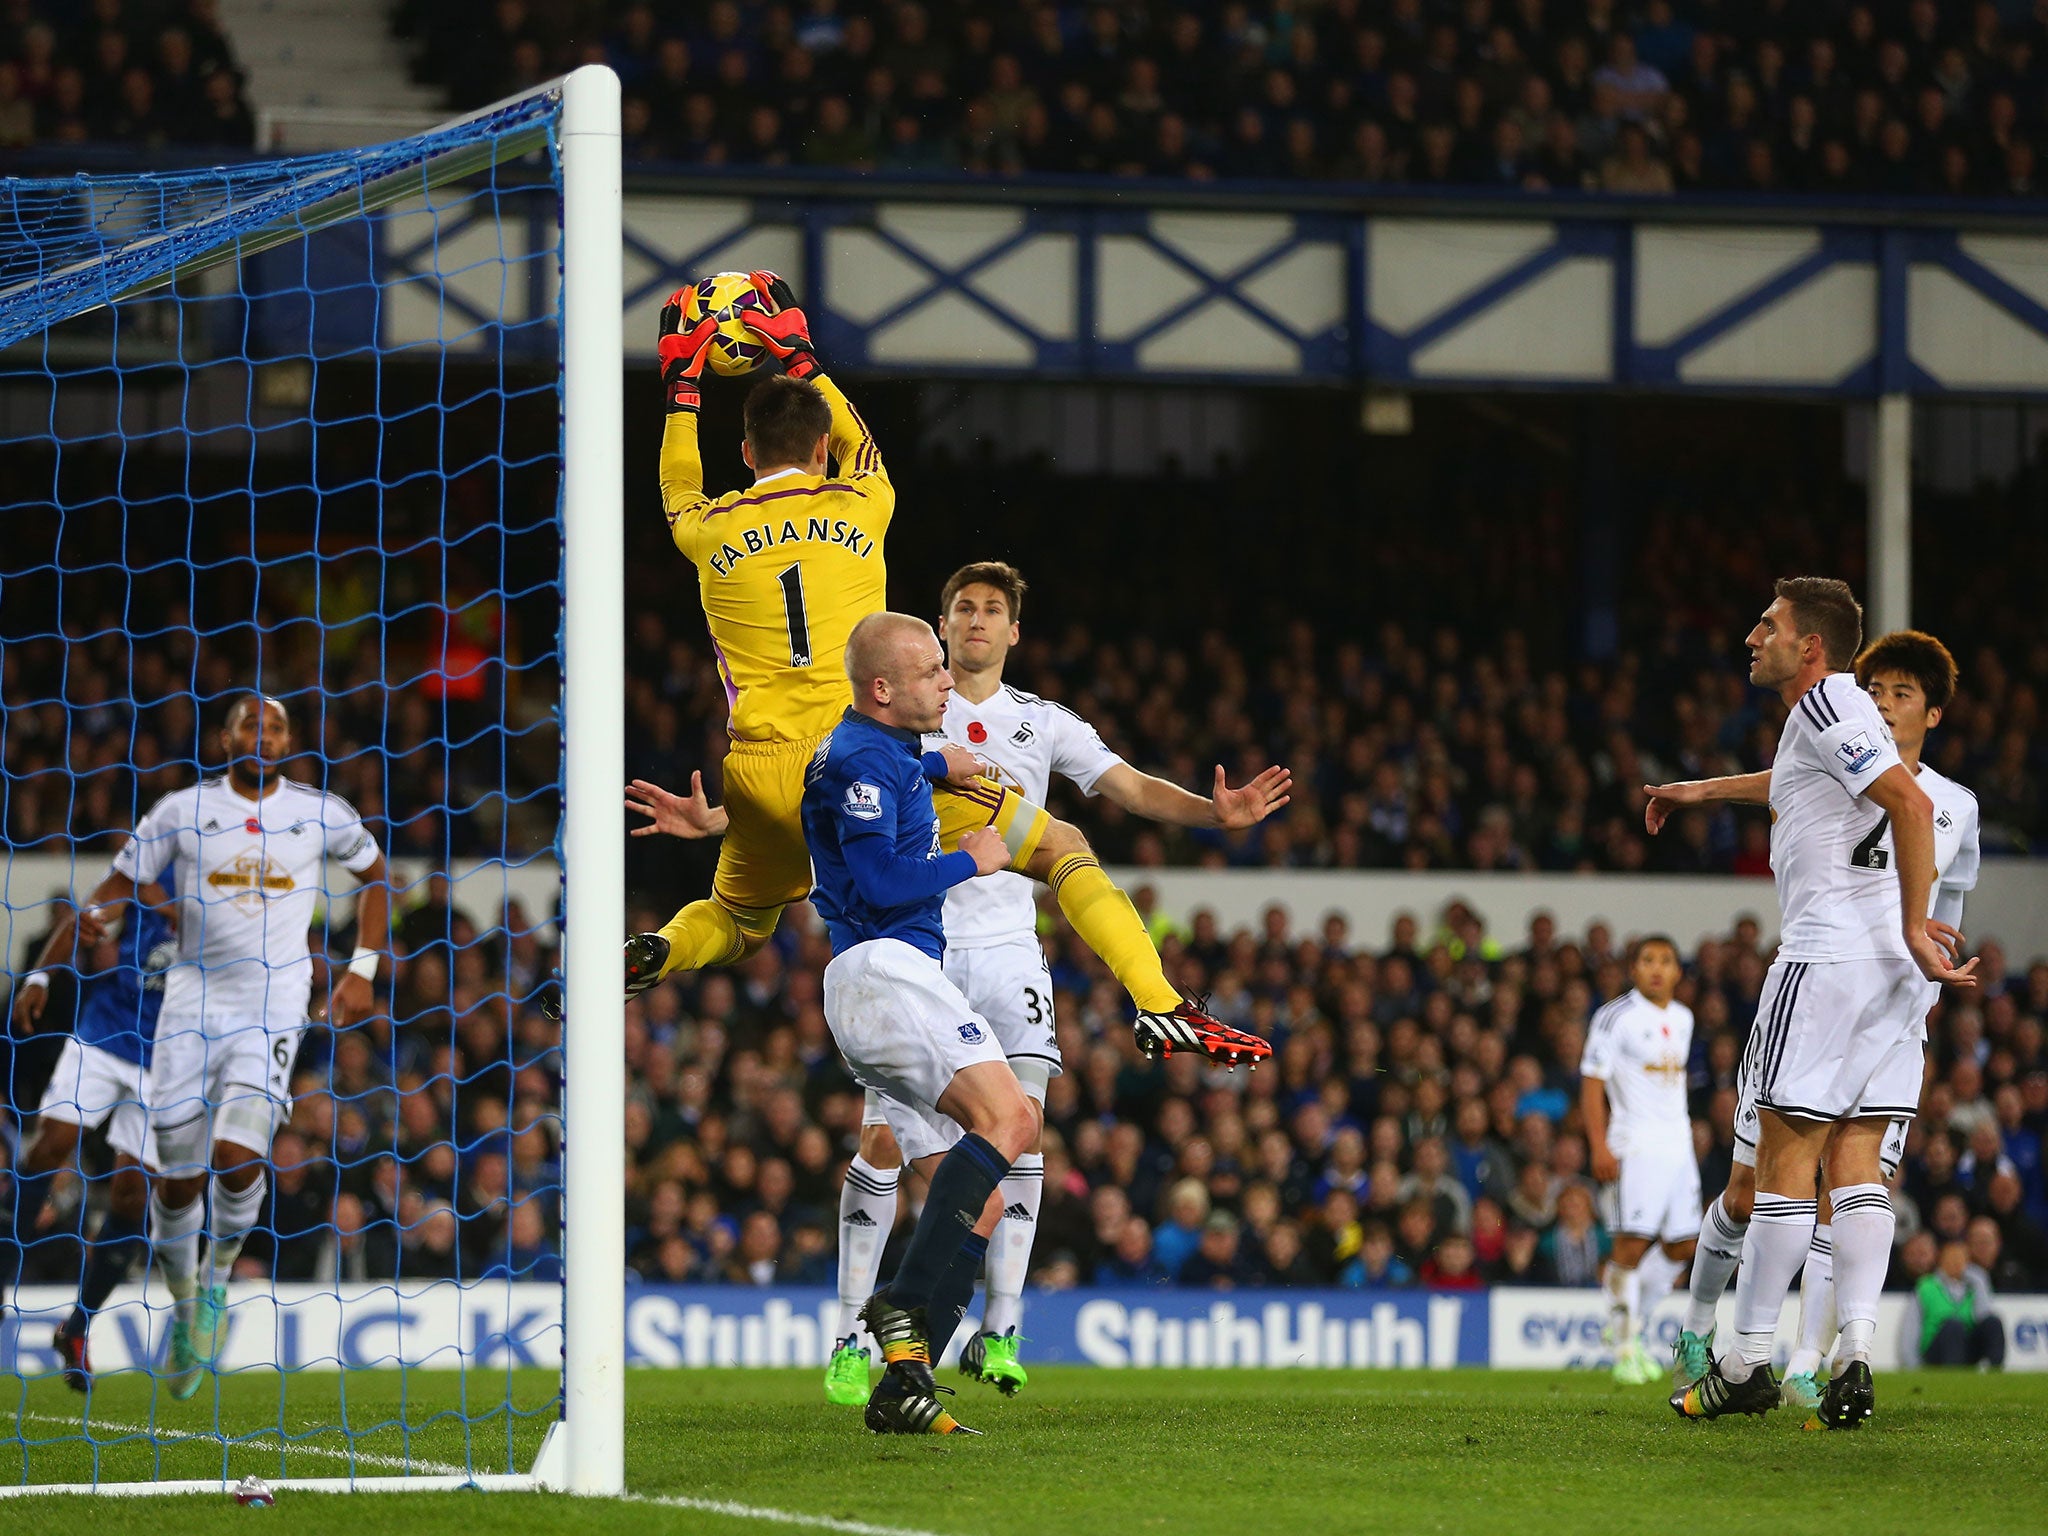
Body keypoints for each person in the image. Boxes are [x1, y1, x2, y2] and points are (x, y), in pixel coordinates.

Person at [628, 273, 1249, 1076]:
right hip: (862, 758)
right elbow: (859, 442)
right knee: (1060, 844)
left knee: (738, 918)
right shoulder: (864, 503)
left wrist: (682, 388)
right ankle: (1161, 1004)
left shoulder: (705, 528)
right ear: (821, 450)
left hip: (759, 769)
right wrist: (805, 361)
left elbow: (676, 482)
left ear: (745, 455)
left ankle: (655, 951)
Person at [841, 561, 1287, 1403]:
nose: (975, 621)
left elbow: (1132, 789)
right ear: (937, 629)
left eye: (992, 611)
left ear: (1015, 633)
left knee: (1024, 1131)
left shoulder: (1040, 724)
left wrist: (1213, 815)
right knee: (897, 1148)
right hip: (914, 947)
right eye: (962, 609)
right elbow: (823, 795)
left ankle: (997, 1329)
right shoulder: (898, 716)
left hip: (1009, 948)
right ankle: (860, 1338)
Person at [1646, 586, 1974, 1426]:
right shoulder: (1836, 716)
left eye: (1769, 626)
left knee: (1784, 1168)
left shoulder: (1834, 697)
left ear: (1813, 646)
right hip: (1893, 985)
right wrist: (1701, 791)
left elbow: (1902, 801)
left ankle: (1747, 1359)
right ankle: (1855, 1349)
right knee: (1858, 1168)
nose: (1752, 636)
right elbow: (1794, 779)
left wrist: (1908, 919)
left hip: (1828, 959)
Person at [96, 693, 389, 1397]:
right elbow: (120, 880)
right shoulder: (182, 810)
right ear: (224, 738)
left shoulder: (319, 811)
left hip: (275, 1007)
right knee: (176, 1178)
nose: (264, 734)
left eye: (277, 725)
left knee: (236, 1158)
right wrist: (97, 916)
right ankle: (183, 1297)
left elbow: (376, 877)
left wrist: (362, 967)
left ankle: (219, 1281)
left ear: (289, 742)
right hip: (190, 1006)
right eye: (250, 723)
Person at [798, 610, 1028, 1436]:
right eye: (932, 670)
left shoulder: (878, 747)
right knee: (1014, 1117)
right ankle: (897, 1307)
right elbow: (883, 881)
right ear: (883, 688)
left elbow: (888, 762)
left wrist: (937, 759)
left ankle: (902, 1382)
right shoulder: (863, 761)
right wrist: (977, 859)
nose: (946, 681)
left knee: (985, 1208)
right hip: (887, 971)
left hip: (876, 987)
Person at [5, 874, 175, 1390]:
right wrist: (38, 978)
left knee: (132, 1194)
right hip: (107, 1033)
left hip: (171, 1057)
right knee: (51, 1146)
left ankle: (76, 1327)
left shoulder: (232, 889)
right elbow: (86, 917)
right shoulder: (155, 861)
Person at [1579, 934, 1697, 1385]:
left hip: (1678, 1145)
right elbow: (1592, 1082)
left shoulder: (1684, 1018)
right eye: (1647, 960)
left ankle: (1631, 1327)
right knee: (1630, 1245)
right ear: (1634, 969)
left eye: (1666, 961)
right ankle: (1626, 1348)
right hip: (1637, 1144)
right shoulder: (1616, 1017)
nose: (1656, 968)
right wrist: (1599, 1144)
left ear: (1677, 971)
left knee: (1683, 1244)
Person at [1907, 1239, 2005, 1368]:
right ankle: (1953, 1373)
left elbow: (1983, 1316)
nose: (1956, 1262)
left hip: (1966, 1345)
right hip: (1937, 1349)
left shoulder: (1974, 1285)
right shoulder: (1926, 1286)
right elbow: (1911, 1327)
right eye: (1951, 1257)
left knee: (1993, 1322)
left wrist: (1978, 1281)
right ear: (1941, 1260)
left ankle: (1992, 1371)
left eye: (1961, 1258)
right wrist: (1912, 1364)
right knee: (1954, 1326)